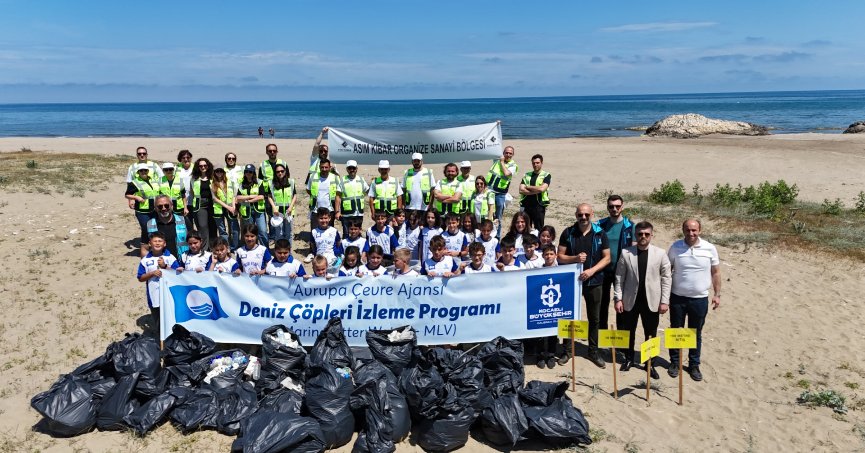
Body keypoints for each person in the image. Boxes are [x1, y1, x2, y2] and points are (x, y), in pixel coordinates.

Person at [613, 221, 671, 379]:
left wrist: (664, 301)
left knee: (651, 333)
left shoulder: (660, 253)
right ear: (635, 235)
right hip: (630, 300)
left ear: (652, 235)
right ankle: (629, 359)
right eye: (640, 234)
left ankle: (649, 363)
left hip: (652, 300)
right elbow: (619, 278)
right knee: (628, 332)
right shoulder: (626, 253)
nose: (643, 237)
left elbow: (666, 278)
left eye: (646, 234)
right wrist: (618, 299)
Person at [557, 203, 611, 368]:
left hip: (594, 281)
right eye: (580, 214)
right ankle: (567, 350)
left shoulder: (600, 233)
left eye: (586, 214)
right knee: (569, 317)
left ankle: (593, 351)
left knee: (594, 318)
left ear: (592, 214)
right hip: (572, 282)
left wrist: (592, 271)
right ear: (576, 215)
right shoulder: (568, 233)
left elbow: (607, 257)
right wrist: (574, 259)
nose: (583, 217)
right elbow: (560, 256)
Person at [666, 219, 721, 382]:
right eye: (688, 230)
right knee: (676, 331)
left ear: (700, 230)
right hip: (677, 297)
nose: (691, 233)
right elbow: (667, 270)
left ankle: (694, 365)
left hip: (699, 298)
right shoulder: (675, 247)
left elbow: (716, 272)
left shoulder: (709, 248)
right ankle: (674, 362)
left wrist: (717, 294)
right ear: (683, 230)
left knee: (695, 333)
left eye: (694, 230)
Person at [598, 194, 635, 358]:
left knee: (622, 308)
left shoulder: (630, 226)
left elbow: (634, 250)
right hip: (602, 270)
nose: (614, 209)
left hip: (622, 273)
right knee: (601, 307)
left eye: (617, 206)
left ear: (622, 207)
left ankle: (620, 346)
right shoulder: (600, 225)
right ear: (607, 207)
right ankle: (602, 342)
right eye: (611, 206)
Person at [137, 232, 179, 339]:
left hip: (170, 295)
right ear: (149, 243)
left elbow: (178, 274)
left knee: (172, 318)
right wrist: (151, 273)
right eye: (155, 241)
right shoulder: (145, 260)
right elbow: (140, 278)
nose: (157, 243)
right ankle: (162, 341)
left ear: (164, 244)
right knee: (159, 321)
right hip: (154, 296)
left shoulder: (170, 257)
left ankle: (175, 339)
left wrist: (165, 266)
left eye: (160, 241)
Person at [126, 164, 160, 256]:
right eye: (141, 171)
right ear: (138, 172)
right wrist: (136, 197)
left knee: (154, 229)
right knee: (146, 229)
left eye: (145, 170)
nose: (143, 172)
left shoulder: (153, 180)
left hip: (154, 210)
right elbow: (127, 195)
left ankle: (153, 249)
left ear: (148, 171)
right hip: (142, 211)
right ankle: (146, 250)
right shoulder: (134, 182)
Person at [306, 158, 342, 245]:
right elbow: (308, 190)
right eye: (322, 167)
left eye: (326, 167)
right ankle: (313, 251)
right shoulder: (313, 177)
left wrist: (337, 211)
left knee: (329, 233)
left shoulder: (335, 177)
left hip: (330, 210)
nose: (324, 169)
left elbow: (338, 193)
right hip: (316, 210)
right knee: (315, 233)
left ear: (329, 167)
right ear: (319, 167)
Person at [486, 145, 518, 237]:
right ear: (503, 153)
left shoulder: (513, 165)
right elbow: (491, 150)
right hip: (489, 191)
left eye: (510, 153)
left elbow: (506, 173)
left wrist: (502, 162)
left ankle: (497, 237)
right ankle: (487, 235)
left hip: (500, 194)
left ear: (513, 155)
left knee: (498, 217)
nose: (508, 155)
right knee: (487, 215)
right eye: (506, 153)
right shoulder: (497, 159)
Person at [146, 194, 189, 259]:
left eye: (166, 205)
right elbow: (144, 248)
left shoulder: (184, 221)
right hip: (159, 262)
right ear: (155, 208)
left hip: (182, 262)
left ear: (172, 206)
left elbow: (193, 241)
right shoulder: (149, 224)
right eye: (160, 206)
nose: (164, 208)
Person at [236, 164, 269, 247]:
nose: (248, 173)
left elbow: (261, 196)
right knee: (250, 232)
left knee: (262, 231)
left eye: (250, 172)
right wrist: (251, 196)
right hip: (247, 211)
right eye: (247, 172)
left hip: (258, 210)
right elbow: (238, 198)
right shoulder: (241, 184)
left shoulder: (259, 182)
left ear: (253, 173)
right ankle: (252, 248)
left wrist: (248, 200)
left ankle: (265, 249)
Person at [188, 158, 217, 249]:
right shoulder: (194, 179)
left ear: (208, 166)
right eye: (201, 166)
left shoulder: (213, 177)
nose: (203, 167)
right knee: (202, 226)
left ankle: (213, 247)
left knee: (213, 225)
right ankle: (205, 248)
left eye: (205, 165)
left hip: (213, 204)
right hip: (200, 204)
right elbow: (192, 192)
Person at [518, 154, 551, 230]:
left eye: (537, 163)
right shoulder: (527, 175)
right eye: (533, 163)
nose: (535, 165)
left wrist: (528, 187)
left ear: (541, 163)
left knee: (539, 228)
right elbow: (521, 190)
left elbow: (542, 189)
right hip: (526, 205)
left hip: (539, 205)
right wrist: (536, 190)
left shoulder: (546, 175)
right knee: (525, 228)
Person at [268, 163, 296, 248]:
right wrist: (274, 207)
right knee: (279, 234)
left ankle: (288, 252)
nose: (280, 173)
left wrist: (291, 207)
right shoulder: (271, 184)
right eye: (278, 172)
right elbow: (269, 196)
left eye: (282, 171)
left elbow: (294, 195)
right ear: (275, 173)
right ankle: (279, 251)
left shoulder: (291, 182)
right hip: (278, 212)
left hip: (289, 212)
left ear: (285, 171)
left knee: (288, 233)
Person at [338, 160, 369, 236]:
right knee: (346, 233)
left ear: (356, 169)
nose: (352, 170)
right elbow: (338, 196)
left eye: (353, 168)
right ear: (347, 169)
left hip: (358, 213)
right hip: (346, 213)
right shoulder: (342, 180)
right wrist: (337, 211)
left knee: (357, 232)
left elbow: (369, 191)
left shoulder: (361, 180)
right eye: (350, 168)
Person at [212, 167, 240, 250]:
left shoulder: (230, 182)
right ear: (214, 173)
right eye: (217, 171)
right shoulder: (212, 184)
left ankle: (234, 247)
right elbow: (214, 198)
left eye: (221, 171)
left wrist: (234, 207)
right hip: (219, 209)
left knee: (235, 229)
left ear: (224, 172)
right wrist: (227, 207)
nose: (219, 173)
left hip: (231, 208)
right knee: (222, 230)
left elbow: (234, 195)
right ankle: (226, 248)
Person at [401, 152, 436, 218]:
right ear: (412, 162)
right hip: (409, 207)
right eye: (415, 161)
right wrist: (403, 203)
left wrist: (430, 204)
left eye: (418, 161)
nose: (416, 163)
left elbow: (432, 190)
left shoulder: (428, 172)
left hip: (424, 207)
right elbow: (403, 189)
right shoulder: (407, 172)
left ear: (422, 161)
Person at [176, 150, 194, 229]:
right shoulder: (176, 169)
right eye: (183, 158)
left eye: (188, 157)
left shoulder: (195, 167)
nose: (186, 159)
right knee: (186, 223)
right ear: (180, 159)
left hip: (194, 199)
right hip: (182, 200)